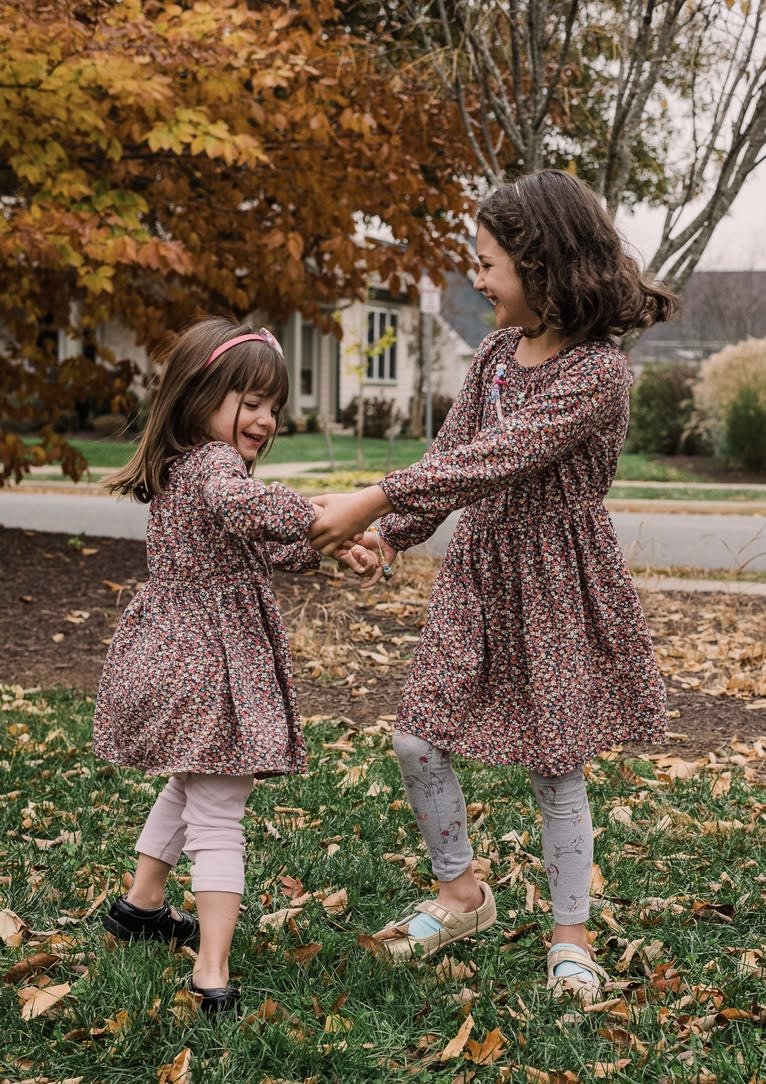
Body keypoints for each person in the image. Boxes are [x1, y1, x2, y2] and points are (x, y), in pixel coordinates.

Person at [308, 170, 677, 1002]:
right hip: (478, 575)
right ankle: (461, 893)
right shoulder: (496, 355)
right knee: (416, 738)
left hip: (555, 579)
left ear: (541, 265)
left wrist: (373, 494)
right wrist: (390, 536)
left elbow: (494, 461)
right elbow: (452, 459)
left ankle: (571, 938)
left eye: (487, 263)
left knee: (556, 764)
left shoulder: (597, 373)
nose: (476, 279)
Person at [93, 316, 379, 1014]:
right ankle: (212, 974)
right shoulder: (216, 469)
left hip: (175, 655)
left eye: (273, 406)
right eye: (249, 403)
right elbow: (246, 504)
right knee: (220, 807)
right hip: (208, 663)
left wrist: (330, 546)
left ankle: (141, 908)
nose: (264, 419)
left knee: (191, 782)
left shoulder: (184, 466)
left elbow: (260, 544)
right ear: (201, 396)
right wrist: (323, 513)